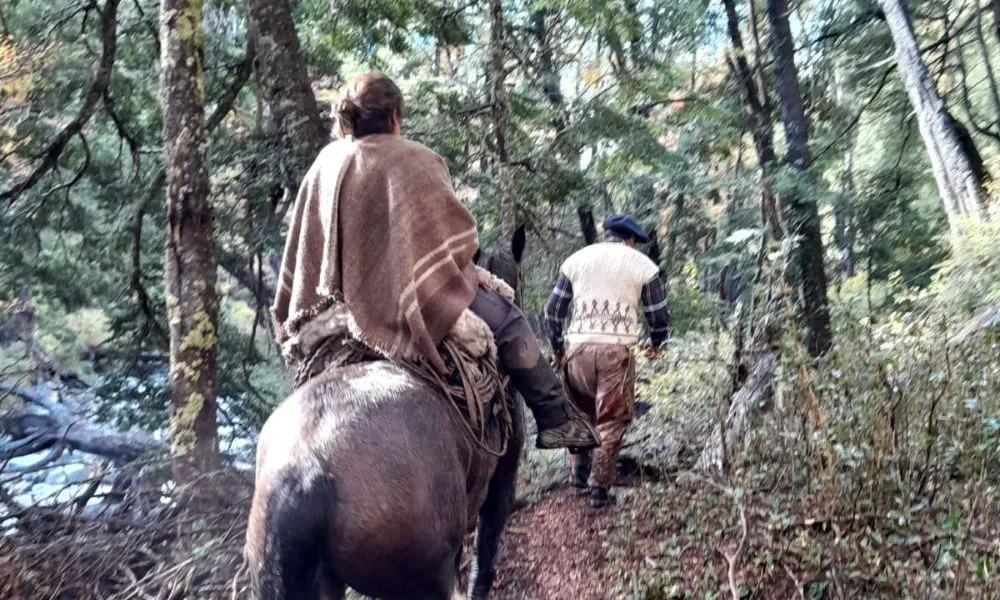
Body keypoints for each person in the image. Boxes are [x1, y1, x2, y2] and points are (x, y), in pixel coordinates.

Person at [270, 71, 598, 451]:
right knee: (510, 322)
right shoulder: (417, 159)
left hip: (335, 310)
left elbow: (306, 246)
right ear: (395, 116)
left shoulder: (324, 163)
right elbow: (449, 245)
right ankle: (557, 420)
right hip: (413, 303)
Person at [544, 215, 669, 507]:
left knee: (579, 413)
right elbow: (658, 315)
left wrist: (558, 348)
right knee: (611, 420)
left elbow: (552, 312)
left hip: (578, 349)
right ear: (631, 240)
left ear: (606, 235)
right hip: (616, 352)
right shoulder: (642, 265)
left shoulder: (576, 260)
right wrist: (656, 344)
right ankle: (598, 489)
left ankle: (577, 473)